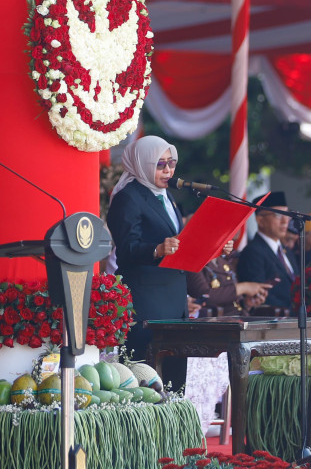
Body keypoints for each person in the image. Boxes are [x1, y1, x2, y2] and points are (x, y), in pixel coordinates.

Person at [106, 135, 190, 364]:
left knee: (174, 381)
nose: (168, 171)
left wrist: (215, 248)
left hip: (173, 301)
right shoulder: (128, 197)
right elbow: (126, 248)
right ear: (142, 163)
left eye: (171, 163)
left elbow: (179, 243)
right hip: (146, 303)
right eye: (160, 165)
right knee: (145, 378)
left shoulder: (167, 196)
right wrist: (157, 250)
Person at [236, 191, 295, 309]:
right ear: (260, 220)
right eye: (278, 215)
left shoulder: (285, 250)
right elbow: (259, 295)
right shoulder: (253, 251)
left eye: (286, 214)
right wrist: (295, 309)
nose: (285, 221)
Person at [186, 256, 270, 318]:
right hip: (213, 326)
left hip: (237, 320)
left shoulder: (223, 262)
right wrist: (243, 287)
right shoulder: (193, 259)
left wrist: (246, 303)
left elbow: (234, 303)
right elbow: (204, 296)